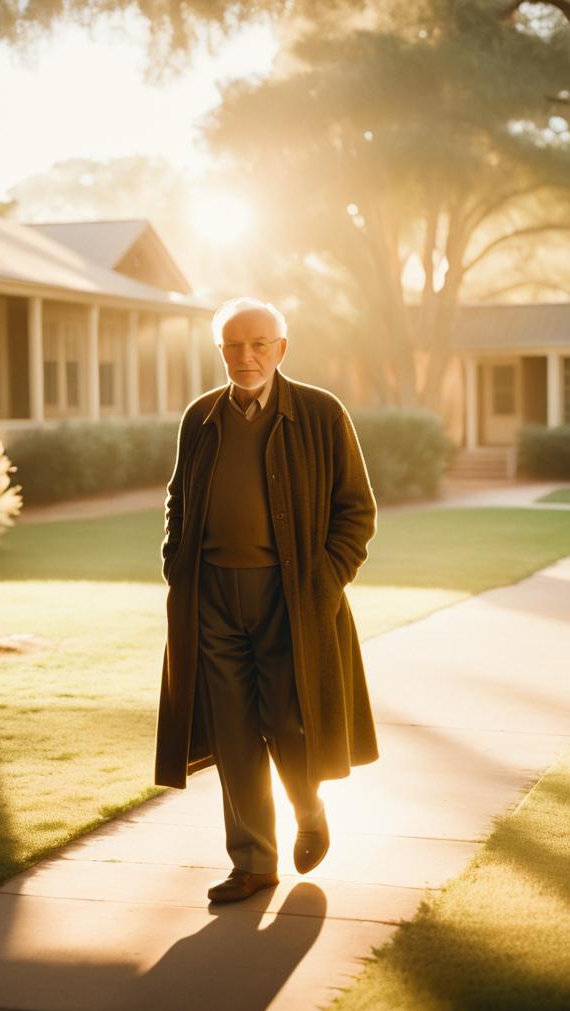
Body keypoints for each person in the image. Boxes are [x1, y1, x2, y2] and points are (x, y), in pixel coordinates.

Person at [155, 296, 379, 903]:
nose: (246, 356)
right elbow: (179, 502)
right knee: (232, 731)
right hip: (212, 598)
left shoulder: (320, 413)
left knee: (287, 721)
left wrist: (324, 581)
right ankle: (253, 862)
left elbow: (356, 512)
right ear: (220, 351)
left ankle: (309, 810)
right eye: (234, 344)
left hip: (291, 598)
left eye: (259, 344)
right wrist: (179, 565)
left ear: (282, 349)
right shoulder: (200, 417)